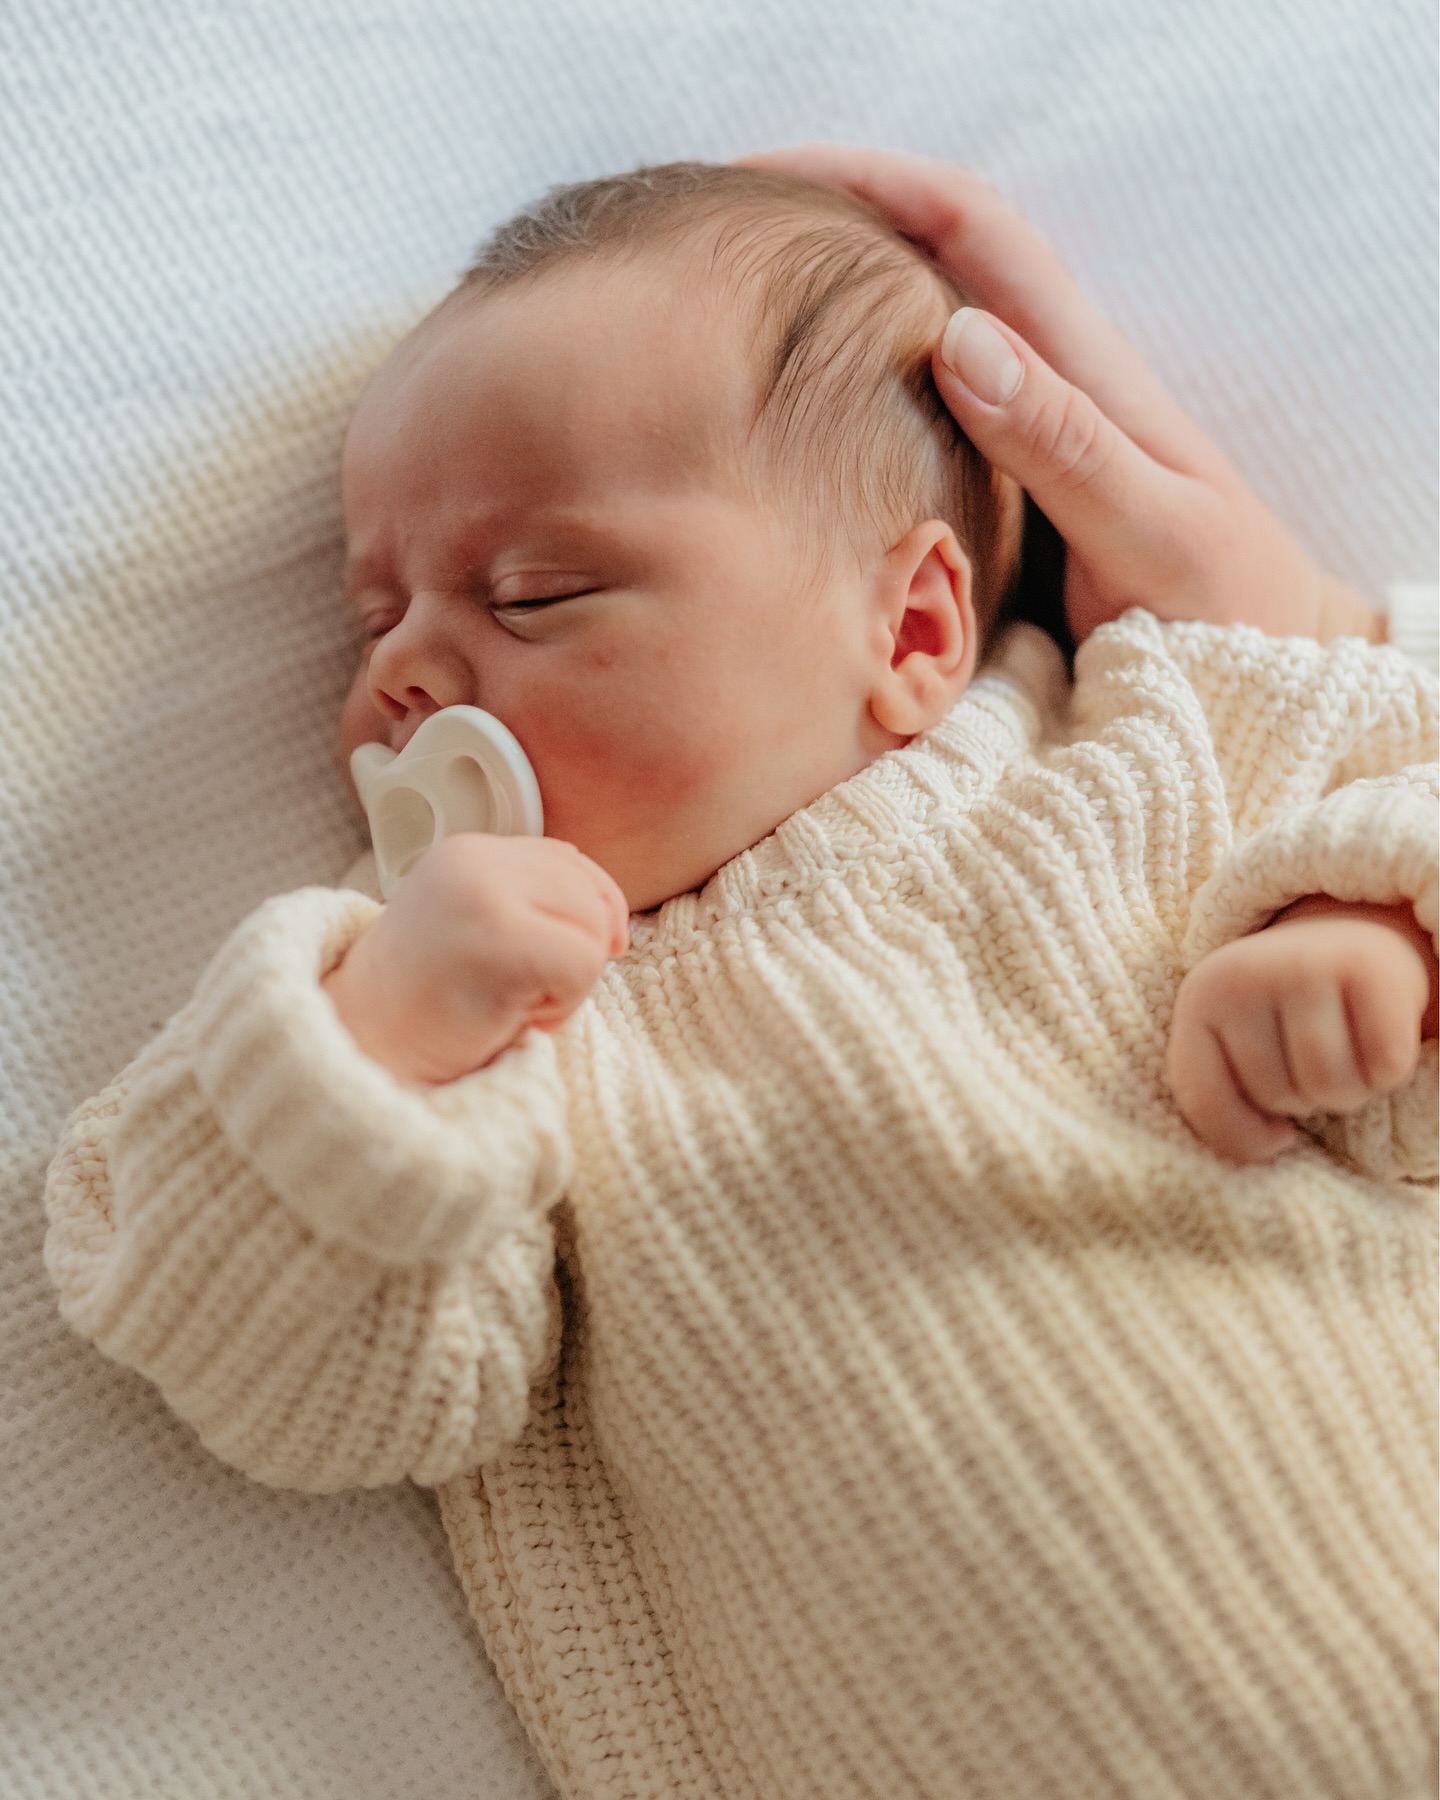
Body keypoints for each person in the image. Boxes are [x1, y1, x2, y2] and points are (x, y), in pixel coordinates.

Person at [43, 161, 1436, 1800]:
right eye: (372, 616)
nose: (404, 670)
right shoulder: (504, 1029)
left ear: (914, 631)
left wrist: (1374, 935)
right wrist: (379, 1044)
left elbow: (1383, 758)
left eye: (531, 594)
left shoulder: (1120, 757)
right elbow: (285, 1368)